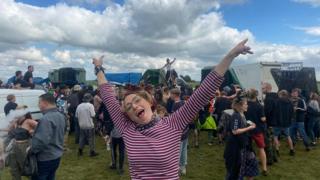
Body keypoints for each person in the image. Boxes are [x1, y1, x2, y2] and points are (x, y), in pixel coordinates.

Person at [93, 39, 252, 179]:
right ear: (127, 115)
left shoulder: (172, 124)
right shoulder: (127, 129)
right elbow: (107, 96)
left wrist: (231, 55)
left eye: (136, 101)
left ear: (150, 102)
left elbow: (203, 93)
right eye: (128, 107)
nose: (133, 106)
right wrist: (99, 68)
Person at [30, 93, 66, 180]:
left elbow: (41, 141)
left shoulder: (46, 118)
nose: (38, 105)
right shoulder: (61, 115)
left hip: (45, 158)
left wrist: (31, 150)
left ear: (45, 103)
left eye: (39, 103)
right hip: (56, 155)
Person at [224, 95, 258, 180]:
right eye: (245, 104)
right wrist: (249, 128)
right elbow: (235, 131)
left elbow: (241, 126)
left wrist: (248, 124)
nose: (247, 105)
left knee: (241, 168)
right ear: (240, 106)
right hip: (234, 147)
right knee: (234, 170)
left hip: (241, 145)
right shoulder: (236, 115)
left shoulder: (242, 115)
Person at [7, 112, 38, 180]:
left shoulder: (28, 121)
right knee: (14, 167)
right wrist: (13, 123)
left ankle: (33, 178)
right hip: (14, 146)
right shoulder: (16, 122)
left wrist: (33, 131)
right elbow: (9, 131)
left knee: (25, 166)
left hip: (24, 146)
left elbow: (41, 127)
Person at [244, 89, 268, 176]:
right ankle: (264, 168)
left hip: (246, 130)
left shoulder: (244, 105)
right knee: (261, 148)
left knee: (246, 149)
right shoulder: (259, 106)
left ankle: (244, 165)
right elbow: (263, 119)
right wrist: (265, 118)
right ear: (256, 96)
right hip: (257, 130)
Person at [170, 88, 188, 175]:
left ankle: (176, 169)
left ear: (174, 94)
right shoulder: (183, 102)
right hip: (185, 130)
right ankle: (183, 168)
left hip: (178, 132)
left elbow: (173, 119)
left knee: (177, 152)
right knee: (184, 150)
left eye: (171, 94)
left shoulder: (175, 105)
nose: (170, 95)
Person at [273, 90, 295, 156]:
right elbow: (292, 113)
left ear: (281, 94)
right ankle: (291, 150)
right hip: (287, 123)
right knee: (288, 136)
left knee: (275, 136)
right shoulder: (290, 102)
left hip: (278, 122)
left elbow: (275, 112)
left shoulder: (277, 101)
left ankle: (277, 150)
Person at [261, 82, 278, 165]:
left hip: (269, 123)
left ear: (267, 88)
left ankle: (270, 160)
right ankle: (274, 157)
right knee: (271, 141)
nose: (262, 89)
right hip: (272, 122)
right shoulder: (272, 97)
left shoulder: (269, 99)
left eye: (263, 88)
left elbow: (266, 112)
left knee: (268, 142)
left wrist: (261, 113)